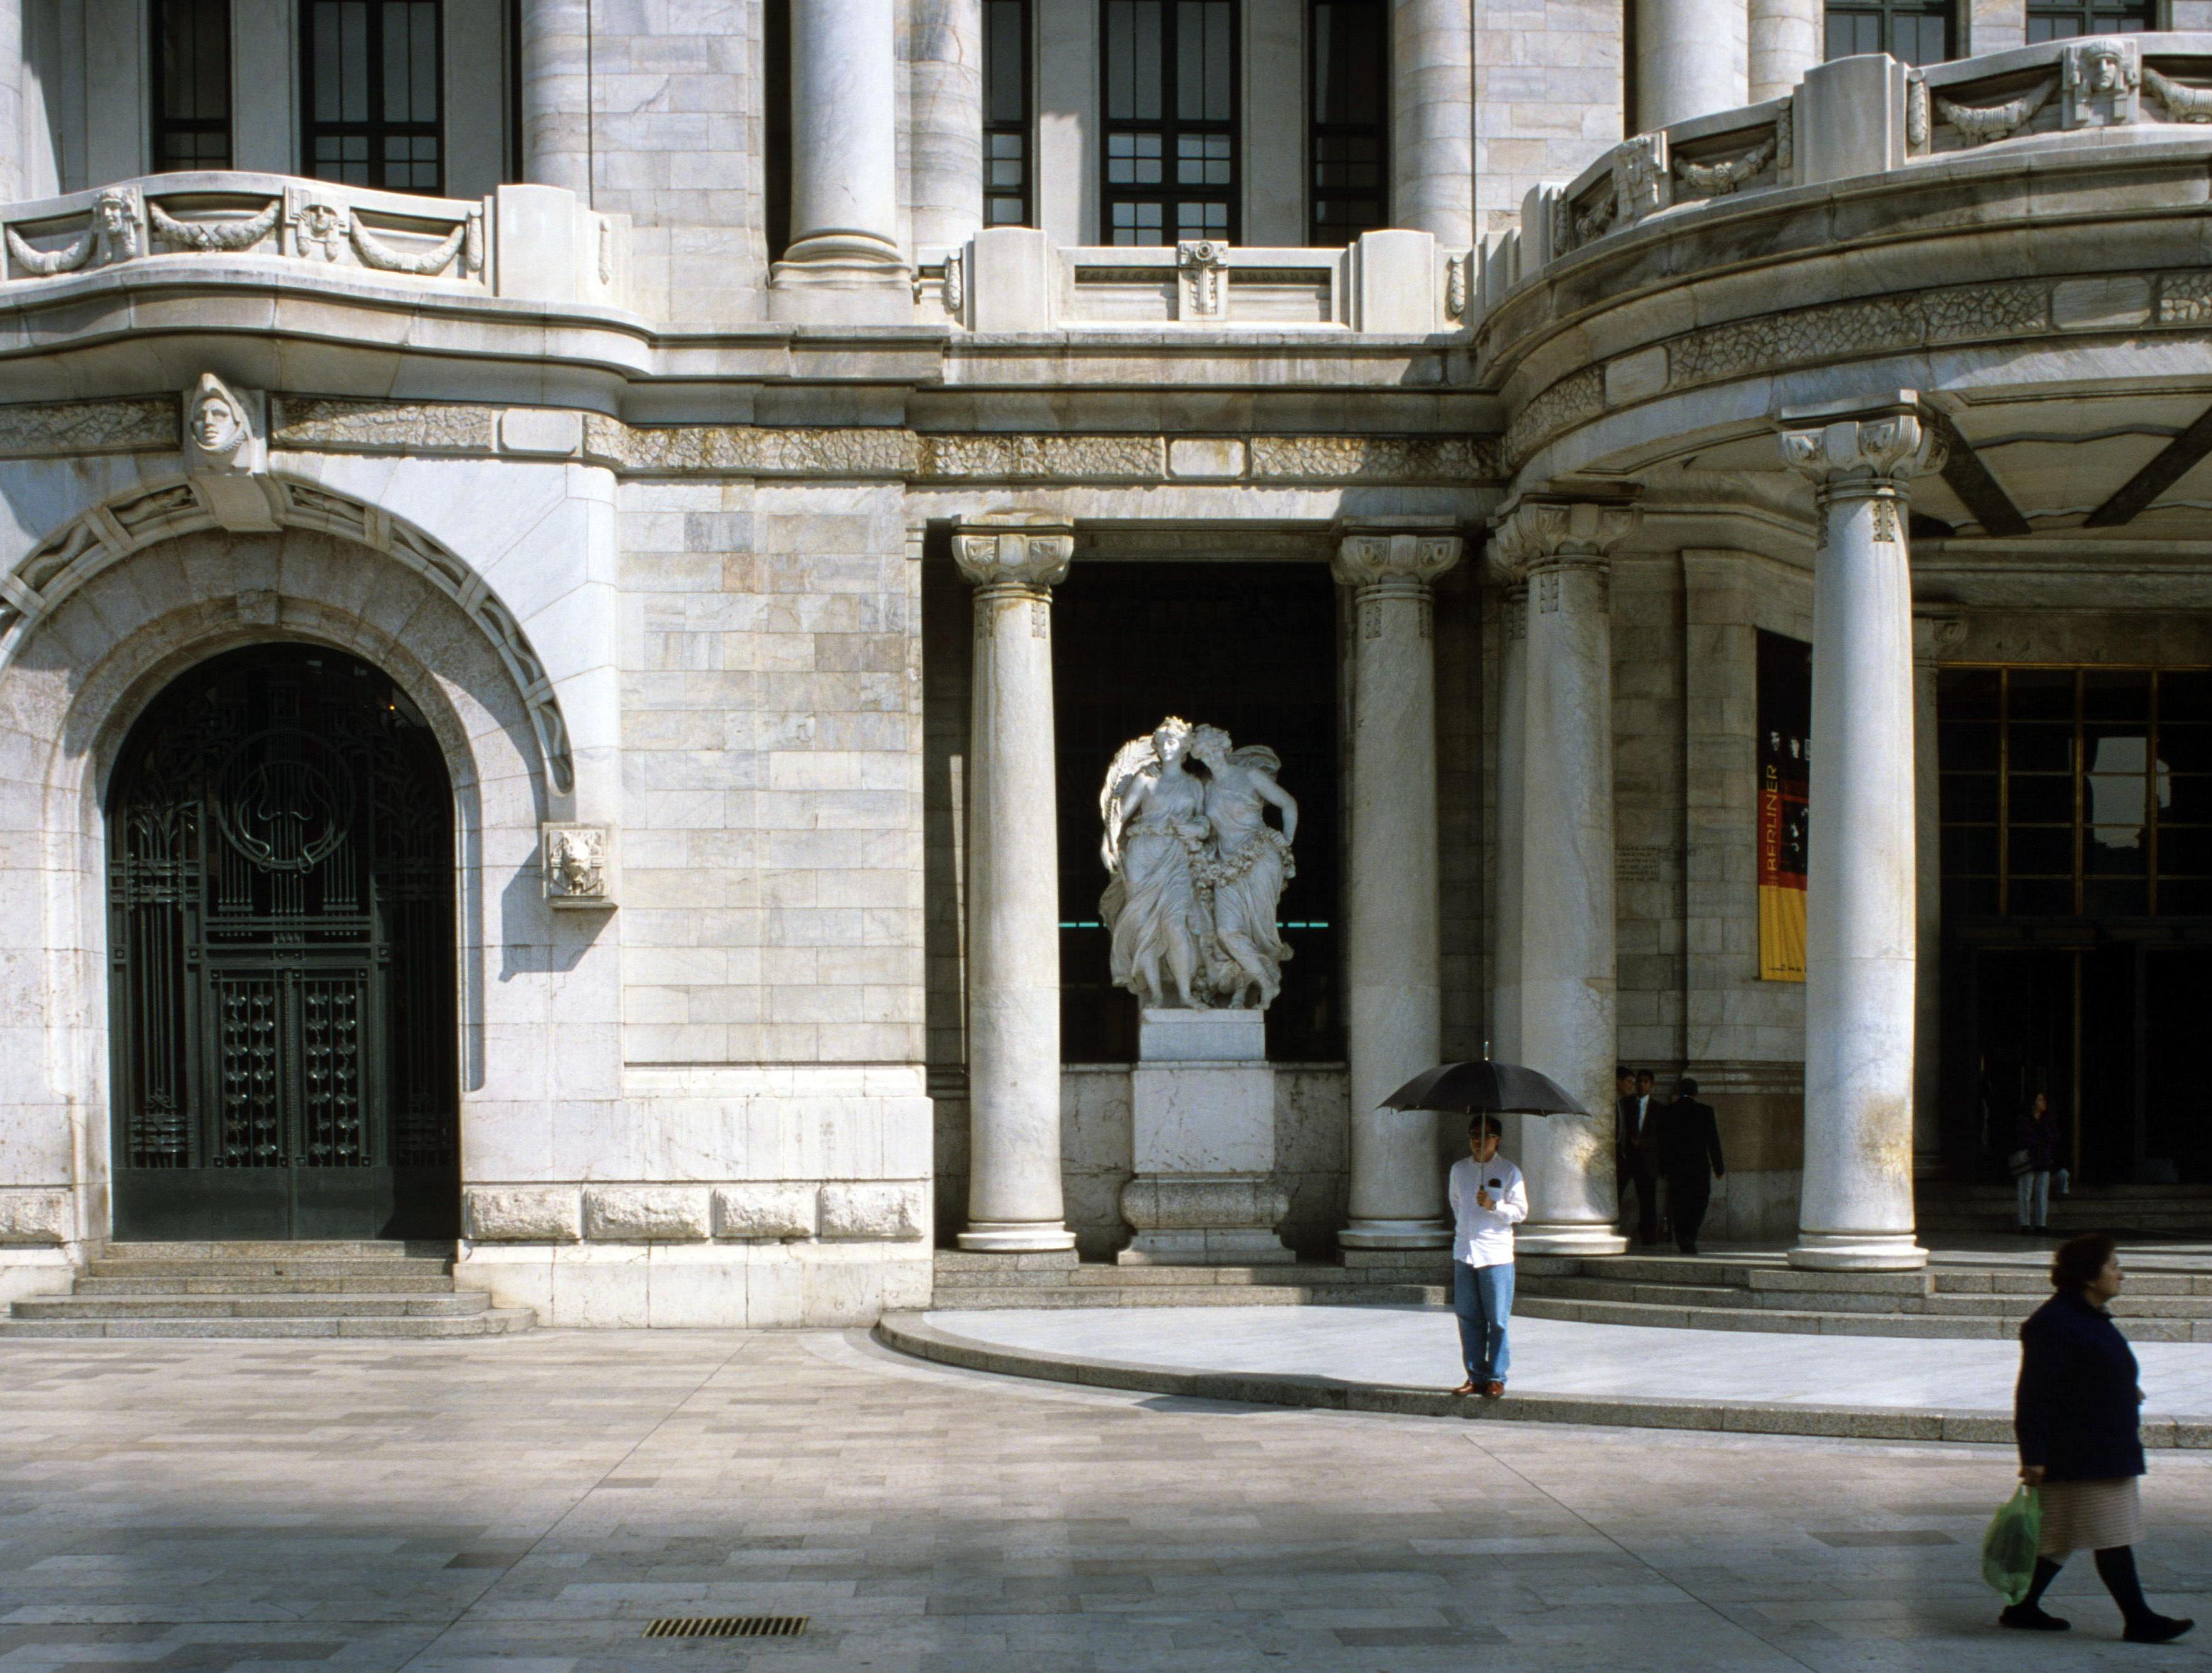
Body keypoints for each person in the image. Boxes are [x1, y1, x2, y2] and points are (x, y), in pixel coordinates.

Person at [2004, 1232, 2193, 1643]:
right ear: (2090, 1276)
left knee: (2062, 1535)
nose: (2121, 1275)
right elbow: (2035, 1393)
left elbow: (2087, 1373)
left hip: (2101, 1445)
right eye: (2114, 1266)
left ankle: (2022, 1608)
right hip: (2084, 1451)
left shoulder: (2087, 1317)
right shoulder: (2053, 1323)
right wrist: (2033, 1455)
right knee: (2111, 1535)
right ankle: (2139, 1619)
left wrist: (2124, 1387)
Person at [1447, 1115, 1528, 1400]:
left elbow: (1520, 1212)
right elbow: (1457, 1205)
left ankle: (1496, 1376)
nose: (1480, 1142)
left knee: (1497, 1319)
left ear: (1498, 1139)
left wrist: (1494, 1206)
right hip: (1466, 1252)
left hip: (1496, 1253)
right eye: (1474, 1136)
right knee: (1468, 1317)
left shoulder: (1509, 1171)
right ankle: (1475, 1375)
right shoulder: (1459, 1170)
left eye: (1487, 1136)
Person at [1657, 1078, 1726, 1255]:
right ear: (1696, 1093)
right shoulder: (1705, 1112)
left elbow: (1663, 1143)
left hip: (1676, 1167)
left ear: (1679, 1092)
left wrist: (1663, 1167)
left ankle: (1682, 1237)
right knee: (1700, 1201)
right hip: (1699, 1166)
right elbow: (1714, 1142)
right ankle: (1690, 1234)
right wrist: (1719, 1168)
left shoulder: (1668, 1112)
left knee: (1679, 1203)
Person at [1616, 1067, 1662, 1246]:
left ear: (1651, 1085)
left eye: (1645, 1082)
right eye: (1639, 1082)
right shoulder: (1625, 1103)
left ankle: (1648, 1235)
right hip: (1627, 1159)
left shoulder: (1658, 1108)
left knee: (1648, 1200)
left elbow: (1661, 1137)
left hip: (1647, 1161)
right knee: (1618, 1193)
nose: (1641, 1085)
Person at [2014, 1093, 2062, 1236]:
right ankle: (2025, 1223)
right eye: (2040, 1099)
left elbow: (2055, 1137)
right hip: (2029, 1158)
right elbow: (2023, 1137)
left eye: (2044, 1099)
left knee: (2042, 1192)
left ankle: (2041, 1223)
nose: (2043, 1102)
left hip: (2043, 1158)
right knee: (2025, 1191)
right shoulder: (2024, 1119)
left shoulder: (2048, 1119)